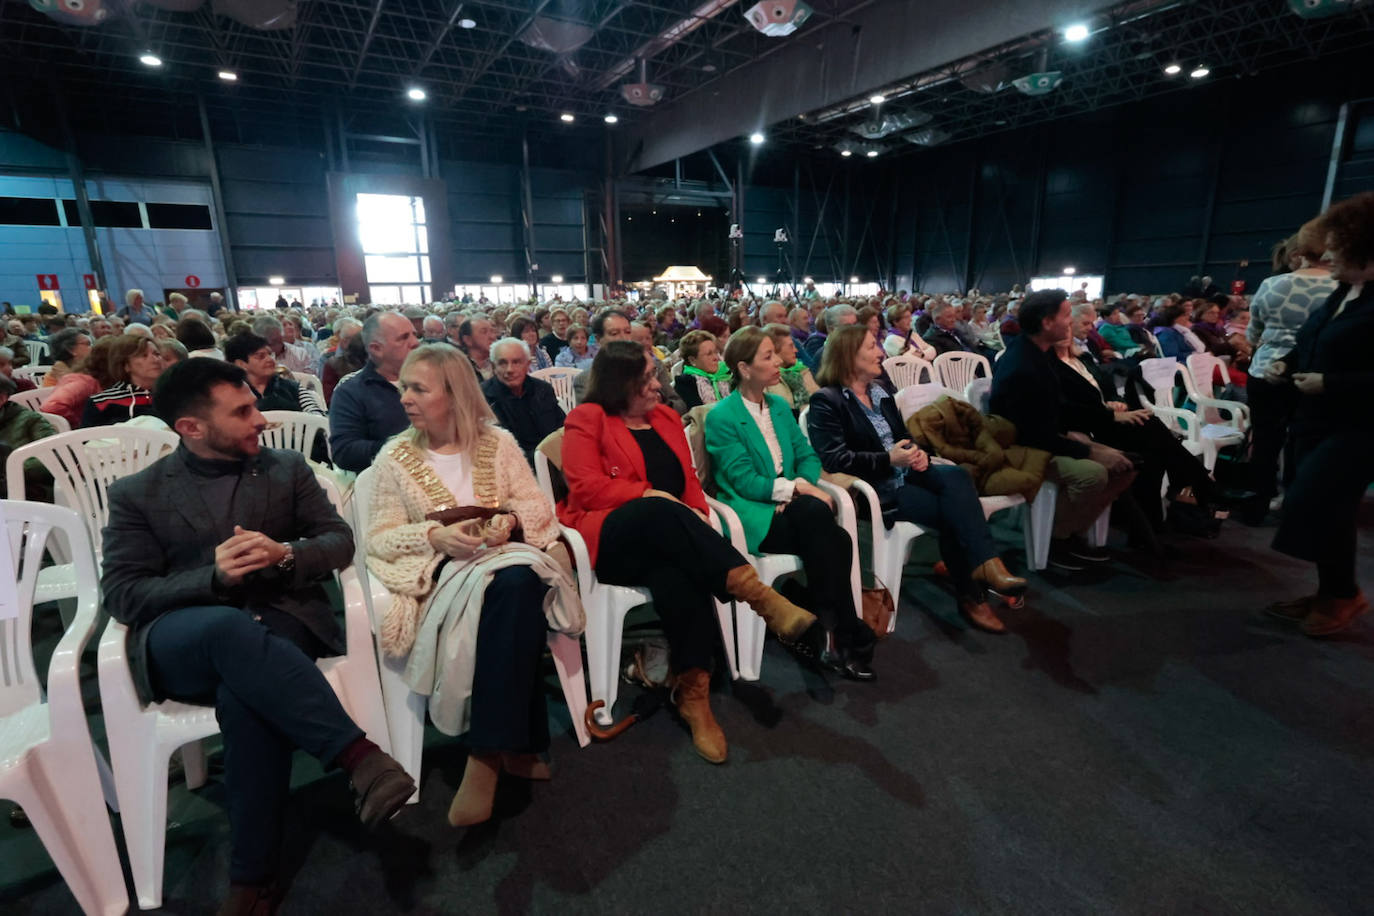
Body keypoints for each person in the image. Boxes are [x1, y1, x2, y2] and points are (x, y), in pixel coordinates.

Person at [100, 358, 414, 912]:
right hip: (185, 638)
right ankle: (358, 755)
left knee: (245, 700)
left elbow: (338, 542)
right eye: (242, 411)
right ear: (191, 428)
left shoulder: (286, 469)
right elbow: (125, 594)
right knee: (226, 627)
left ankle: (251, 876)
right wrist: (213, 578)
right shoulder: (138, 493)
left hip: (282, 620)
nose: (261, 420)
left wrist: (286, 554)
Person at [559, 340, 819, 762]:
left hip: (666, 538)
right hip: (612, 539)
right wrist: (650, 493)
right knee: (659, 510)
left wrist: (696, 511)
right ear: (618, 383)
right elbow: (586, 489)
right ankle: (760, 596)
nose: (657, 388)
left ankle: (694, 694)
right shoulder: (587, 419)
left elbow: (690, 485)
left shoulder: (663, 417)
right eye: (645, 380)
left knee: (678, 573)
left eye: (656, 377)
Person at [367, 344, 579, 826]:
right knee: (516, 587)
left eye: (418, 388)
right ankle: (510, 748)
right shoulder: (394, 458)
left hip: (505, 557)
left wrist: (503, 522)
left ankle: (485, 753)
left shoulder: (499, 444)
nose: (404, 398)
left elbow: (535, 508)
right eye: (403, 387)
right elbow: (379, 537)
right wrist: (434, 534)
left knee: (515, 582)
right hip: (445, 570)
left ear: (454, 394)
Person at [809, 326, 1027, 631]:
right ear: (849, 355)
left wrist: (917, 452)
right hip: (877, 488)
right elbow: (835, 459)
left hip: (908, 472)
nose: (881, 352)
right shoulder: (827, 401)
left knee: (957, 477)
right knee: (956, 511)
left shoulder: (879, 392)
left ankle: (985, 568)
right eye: (872, 347)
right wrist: (888, 459)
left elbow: (903, 437)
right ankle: (976, 589)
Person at [705, 327, 877, 679]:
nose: (779, 361)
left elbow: (808, 457)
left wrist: (799, 486)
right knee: (828, 527)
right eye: (767, 357)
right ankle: (847, 630)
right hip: (756, 514)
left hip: (796, 512)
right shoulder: (722, 417)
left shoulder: (780, 406)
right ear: (744, 368)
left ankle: (829, 633)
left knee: (832, 534)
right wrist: (794, 490)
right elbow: (744, 481)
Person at [1265, 193, 1374, 636]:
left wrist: (1332, 384)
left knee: (1314, 501)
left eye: (1335, 247)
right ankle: (1336, 592)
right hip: (1315, 418)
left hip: (1359, 426)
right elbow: (1314, 341)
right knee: (1332, 510)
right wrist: (1286, 365)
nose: (1325, 255)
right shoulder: (1343, 293)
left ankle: (1341, 594)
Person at [990, 290, 1136, 572]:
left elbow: (1060, 410)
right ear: (1046, 322)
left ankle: (1070, 530)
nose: (1071, 322)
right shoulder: (1022, 365)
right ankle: (1056, 539)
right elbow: (1032, 434)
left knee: (1125, 467)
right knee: (1094, 474)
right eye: (1066, 315)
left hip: (1045, 439)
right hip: (1020, 449)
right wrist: (1090, 450)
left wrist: (1104, 424)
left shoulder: (1042, 355)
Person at [1050, 319, 1222, 541]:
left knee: (1152, 449)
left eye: (1068, 327)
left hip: (1107, 419)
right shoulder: (1051, 367)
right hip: (1087, 428)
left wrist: (1113, 402)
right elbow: (1069, 407)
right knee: (1150, 430)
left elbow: (1105, 390)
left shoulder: (1082, 360)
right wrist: (1110, 412)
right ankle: (1199, 485)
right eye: (1061, 327)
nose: (1065, 331)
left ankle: (1151, 529)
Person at [1242, 220, 1338, 524]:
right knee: (1304, 439)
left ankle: (1257, 503)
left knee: (1266, 441)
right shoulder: (1342, 289)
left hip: (1267, 368)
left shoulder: (1273, 285)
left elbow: (1252, 333)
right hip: (1316, 374)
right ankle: (1297, 502)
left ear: (1299, 253)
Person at [330, 312, 418, 472]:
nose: (415, 343)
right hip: (388, 481)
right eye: (403, 338)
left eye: (414, 335)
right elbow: (344, 451)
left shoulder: (434, 379)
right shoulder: (351, 391)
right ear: (376, 349)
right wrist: (405, 446)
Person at [481, 338, 566, 466]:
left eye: (516, 362)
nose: (509, 369)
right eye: (502, 363)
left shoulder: (543, 389)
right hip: (511, 467)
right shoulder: (483, 397)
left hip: (551, 462)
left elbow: (562, 429)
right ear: (493, 366)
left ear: (527, 364)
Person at [226, 332, 326, 415]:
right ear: (241, 364)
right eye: (261, 356)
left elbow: (317, 417)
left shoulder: (293, 388)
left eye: (270, 354)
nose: (270, 359)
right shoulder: (230, 394)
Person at [81, 335, 164, 427]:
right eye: (144, 355)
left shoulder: (174, 396)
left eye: (157, 354)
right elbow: (87, 440)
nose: (155, 360)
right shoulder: (102, 402)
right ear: (125, 365)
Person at [0, 374, 57, 502]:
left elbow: (54, 454)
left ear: (2, 398)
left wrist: (11, 467)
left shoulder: (30, 420)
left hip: (28, 490)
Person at [762, 322, 818, 413]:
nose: (796, 350)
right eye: (791, 346)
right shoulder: (768, 382)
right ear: (775, 349)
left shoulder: (803, 371)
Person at [673, 329, 730, 409]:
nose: (716, 358)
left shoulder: (726, 373)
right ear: (692, 360)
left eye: (716, 352)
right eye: (709, 354)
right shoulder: (685, 383)